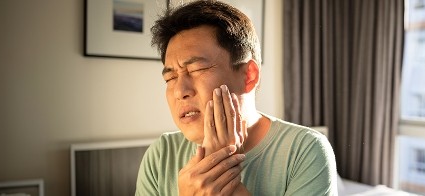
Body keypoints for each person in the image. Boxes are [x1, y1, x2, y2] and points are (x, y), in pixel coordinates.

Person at [136, 1, 338, 195]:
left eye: (197, 69)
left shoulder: (305, 150)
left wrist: (221, 181)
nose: (180, 91)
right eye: (170, 77)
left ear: (249, 75)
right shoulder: (161, 155)